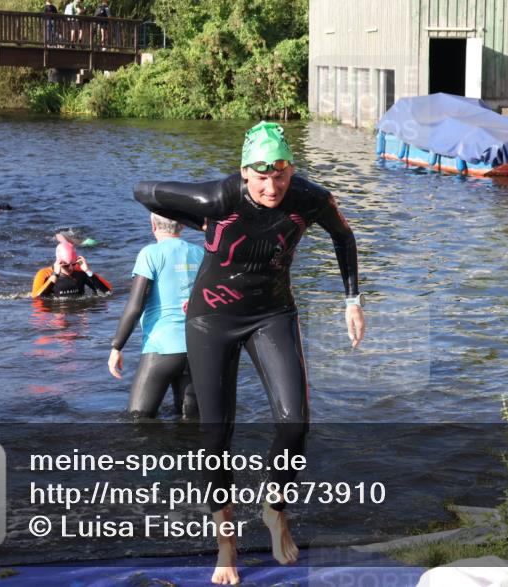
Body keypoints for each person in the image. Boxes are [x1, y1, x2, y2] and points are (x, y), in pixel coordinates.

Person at [134, 121, 364, 584]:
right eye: (260, 177)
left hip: (273, 312)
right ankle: (226, 543)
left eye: (279, 174)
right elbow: (143, 191)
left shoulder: (309, 197)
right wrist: (197, 219)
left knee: (295, 422)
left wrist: (352, 301)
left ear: (290, 168)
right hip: (210, 319)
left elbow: (344, 237)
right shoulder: (218, 197)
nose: (271, 186)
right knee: (216, 436)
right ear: (244, 173)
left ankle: (274, 509)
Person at [108, 213, 204, 419]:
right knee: (190, 423)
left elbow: (135, 305)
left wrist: (117, 346)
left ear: (153, 224)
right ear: (182, 225)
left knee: (138, 420)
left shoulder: (150, 254)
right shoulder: (200, 252)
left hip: (161, 349)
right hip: (197, 348)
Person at [32, 241, 111, 299]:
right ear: (58, 262)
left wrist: (87, 271)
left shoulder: (81, 271)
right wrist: (55, 275)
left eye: (73, 264)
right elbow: (36, 298)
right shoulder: (44, 274)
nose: (70, 268)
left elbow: (107, 292)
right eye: (66, 265)